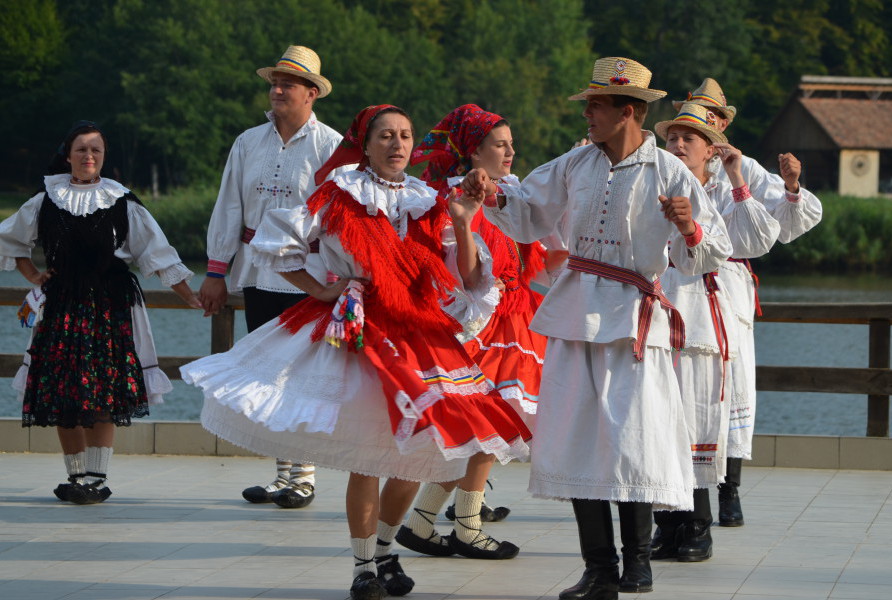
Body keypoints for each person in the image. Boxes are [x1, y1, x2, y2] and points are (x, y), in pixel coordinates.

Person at [182, 105, 532, 600]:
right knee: (368, 458)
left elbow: (473, 279)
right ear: (364, 145)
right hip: (361, 329)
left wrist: (465, 220)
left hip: (419, 329)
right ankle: (364, 565)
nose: (397, 144)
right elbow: (277, 243)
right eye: (386, 136)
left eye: (406, 136)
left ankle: (387, 550)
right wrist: (321, 291)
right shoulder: (339, 193)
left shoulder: (430, 201)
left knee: (422, 454)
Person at [462, 57, 733, 600]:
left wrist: (689, 226)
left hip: (635, 318)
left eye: (596, 105)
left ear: (627, 111)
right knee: (578, 437)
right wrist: (490, 192)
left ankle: (638, 565)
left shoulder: (670, 172)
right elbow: (530, 210)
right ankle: (599, 569)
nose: (587, 114)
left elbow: (710, 253)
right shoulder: (576, 164)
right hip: (576, 311)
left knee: (633, 440)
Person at [0, 120, 201, 505]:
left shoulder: (122, 201)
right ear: (68, 155)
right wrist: (35, 276)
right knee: (63, 395)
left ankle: (97, 477)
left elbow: (156, 253)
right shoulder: (45, 199)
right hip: (60, 306)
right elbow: (10, 241)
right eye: (82, 149)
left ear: (103, 157)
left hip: (108, 307)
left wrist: (189, 295)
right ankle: (75, 477)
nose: (89, 156)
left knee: (102, 392)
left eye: (96, 150)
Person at [395, 104, 550, 559]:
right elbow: (464, 277)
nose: (510, 151)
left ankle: (422, 523)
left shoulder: (510, 194)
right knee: (492, 428)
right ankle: (466, 527)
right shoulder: (452, 199)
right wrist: (464, 222)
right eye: (500, 145)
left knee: (487, 431)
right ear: (474, 151)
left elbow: (537, 259)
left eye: (510, 143)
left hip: (517, 316)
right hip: (484, 323)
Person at [672, 77, 822, 526]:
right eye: (692, 121)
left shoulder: (745, 168)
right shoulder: (672, 166)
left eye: (710, 119)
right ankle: (681, 498)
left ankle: (729, 490)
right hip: (680, 281)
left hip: (729, 282)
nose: (700, 129)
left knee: (732, 385)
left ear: (720, 126)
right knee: (688, 387)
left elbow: (783, 224)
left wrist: (791, 185)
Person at [198, 45, 343, 509]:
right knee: (266, 374)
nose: (278, 89)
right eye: (274, 82)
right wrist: (217, 271)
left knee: (302, 373)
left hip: (310, 275)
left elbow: (342, 220)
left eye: (289, 83)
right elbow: (228, 207)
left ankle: (303, 477)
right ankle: (284, 474)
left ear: (312, 93)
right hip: (259, 272)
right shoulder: (248, 142)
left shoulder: (333, 148)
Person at [651, 103, 781, 562]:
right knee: (658, 420)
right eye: (672, 138)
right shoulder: (651, 184)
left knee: (696, 417)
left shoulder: (722, 191)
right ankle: (666, 524)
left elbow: (759, 240)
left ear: (710, 148)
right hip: (656, 312)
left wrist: (740, 180)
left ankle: (698, 524)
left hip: (703, 315)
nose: (679, 145)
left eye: (690, 138)